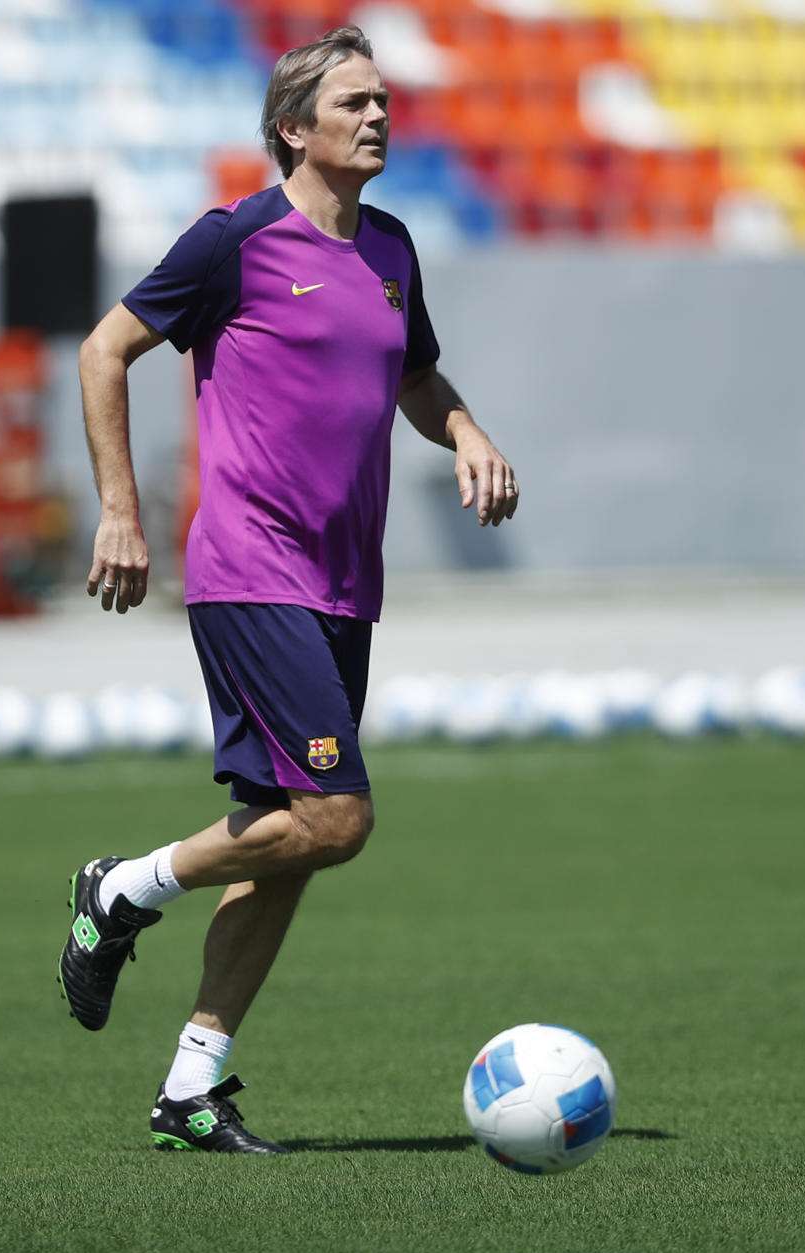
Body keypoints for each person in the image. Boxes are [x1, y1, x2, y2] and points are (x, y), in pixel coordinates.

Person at [58, 28, 518, 1155]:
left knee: (288, 834)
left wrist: (460, 427)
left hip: (344, 583)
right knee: (336, 817)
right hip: (249, 569)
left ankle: (189, 1088)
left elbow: (413, 372)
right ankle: (123, 887)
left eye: (385, 100)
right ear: (293, 128)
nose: (378, 117)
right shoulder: (235, 241)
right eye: (355, 102)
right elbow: (103, 350)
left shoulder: (396, 248)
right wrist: (120, 508)